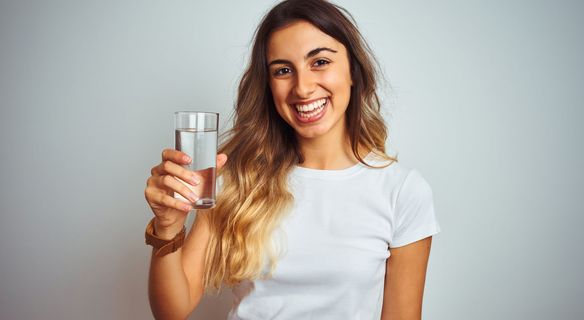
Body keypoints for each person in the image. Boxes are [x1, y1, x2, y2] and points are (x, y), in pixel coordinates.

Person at [144, 0, 441, 319]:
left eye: (320, 62)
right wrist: (167, 229)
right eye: (283, 70)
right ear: (268, 85)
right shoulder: (235, 178)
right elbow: (171, 311)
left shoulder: (402, 191)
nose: (303, 87)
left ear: (353, 70)